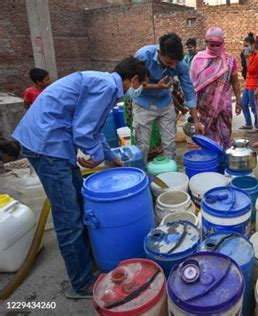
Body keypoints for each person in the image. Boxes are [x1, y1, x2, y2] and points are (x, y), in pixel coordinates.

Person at [12, 57, 148, 299]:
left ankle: (87, 261)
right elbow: (84, 131)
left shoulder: (104, 83)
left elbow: (94, 131)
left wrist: (109, 157)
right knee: (69, 219)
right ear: (134, 79)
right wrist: (96, 157)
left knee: (80, 203)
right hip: (46, 145)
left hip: (54, 143)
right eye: (140, 85)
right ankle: (81, 282)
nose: (136, 91)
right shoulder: (106, 87)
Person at [133, 33, 203, 160]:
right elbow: (134, 85)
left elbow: (189, 91)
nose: (173, 67)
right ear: (160, 53)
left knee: (170, 143)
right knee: (142, 145)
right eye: (169, 62)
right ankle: (141, 173)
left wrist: (196, 121)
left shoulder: (180, 64)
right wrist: (156, 87)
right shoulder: (143, 56)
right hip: (143, 103)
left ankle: (170, 172)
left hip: (165, 103)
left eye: (175, 63)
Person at [190, 27, 242, 148]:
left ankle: (223, 162)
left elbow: (234, 81)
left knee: (225, 135)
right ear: (206, 42)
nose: (214, 48)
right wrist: (192, 108)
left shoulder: (229, 60)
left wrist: (239, 101)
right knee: (206, 138)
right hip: (204, 108)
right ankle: (209, 162)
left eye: (218, 45)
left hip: (224, 107)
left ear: (223, 43)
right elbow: (192, 86)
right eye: (211, 44)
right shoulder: (198, 60)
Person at [240, 32, 258, 131]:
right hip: (247, 83)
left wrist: (247, 58)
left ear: (253, 45)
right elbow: (245, 70)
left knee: (253, 106)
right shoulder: (248, 55)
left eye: (247, 46)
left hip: (254, 84)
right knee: (243, 103)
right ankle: (248, 123)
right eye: (244, 46)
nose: (245, 48)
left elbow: (251, 70)